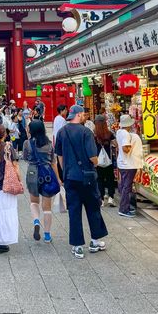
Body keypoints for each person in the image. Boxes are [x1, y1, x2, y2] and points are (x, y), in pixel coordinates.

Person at [55, 105, 108, 259]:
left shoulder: (62, 132)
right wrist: (97, 162)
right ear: (78, 115)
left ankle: (77, 246)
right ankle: (94, 241)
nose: (85, 116)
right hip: (87, 177)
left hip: (70, 177)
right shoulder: (86, 132)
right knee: (93, 208)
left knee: (74, 211)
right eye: (83, 114)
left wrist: (66, 170)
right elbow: (92, 157)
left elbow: (59, 155)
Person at [23, 120, 60, 243]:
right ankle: (47, 235)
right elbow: (53, 162)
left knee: (34, 202)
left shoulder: (27, 143)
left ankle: (36, 221)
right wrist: (58, 179)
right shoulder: (49, 144)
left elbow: (25, 158)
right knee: (47, 206)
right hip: (47, 173)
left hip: (33, 173)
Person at [0, 124, 21, 254]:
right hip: (6, 184)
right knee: (7, 212)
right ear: (5, 134)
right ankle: (2, 242)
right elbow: (15, 166)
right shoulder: (8, 147)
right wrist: (19, 180)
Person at [116, 114, 143, 218]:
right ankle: (123, 209)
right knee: (127, 187)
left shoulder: (119, 132)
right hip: (128, 164)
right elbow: (125, 149)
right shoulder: (126, 134)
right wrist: (132, 147)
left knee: (124, 186)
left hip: (123, 164)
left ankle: (126, 207)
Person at [94, 115, 117, 207]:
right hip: (108, 160)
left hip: (97, 160)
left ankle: (102, 199)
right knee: (110, 178)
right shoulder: (109, 133)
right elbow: (115, 144)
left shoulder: (94, 134)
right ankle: (111, 197)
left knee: (99, 179)